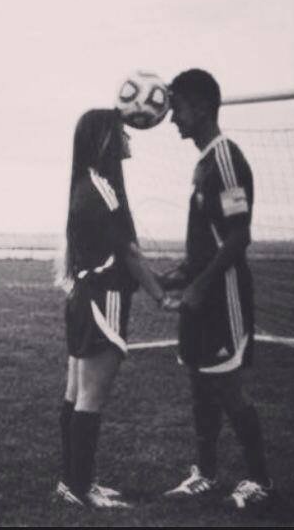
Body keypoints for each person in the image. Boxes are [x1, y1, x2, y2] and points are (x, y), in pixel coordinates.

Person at [158, 69, 273, 509]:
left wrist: (201, 287)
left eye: (178, 108)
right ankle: (205, 474)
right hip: (202, 296)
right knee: (199, 384)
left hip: (223, 298)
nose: (172, 118)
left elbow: (240, 236)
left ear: (203, 107)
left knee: (227, 389)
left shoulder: (226, 160)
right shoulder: (203, 163)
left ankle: (260, 481)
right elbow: (209, 240)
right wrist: (174, 276)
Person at [54, 107, 166, 509]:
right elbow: (129, 252)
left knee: (75, 394)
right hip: (103, 297)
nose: (128, 138)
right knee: (91, 397)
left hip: (84, 296)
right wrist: (161, 295)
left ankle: (72, 482)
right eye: (122, 132)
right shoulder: (101, 188)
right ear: (104, 140)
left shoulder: (85, 183)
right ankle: (82, 488)